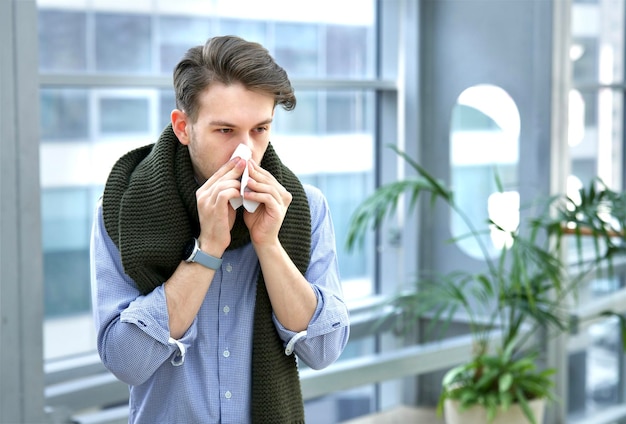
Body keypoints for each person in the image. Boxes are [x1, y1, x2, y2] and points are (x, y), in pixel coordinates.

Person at [90, 35, 350, 424]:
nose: (244, 151)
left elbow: (324, 351)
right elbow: (126, 361)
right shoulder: (125, 209)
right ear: (183, 127)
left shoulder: (305, 206)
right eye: (225, 131)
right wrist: (208, 248)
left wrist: (268, 243)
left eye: (260, 129)